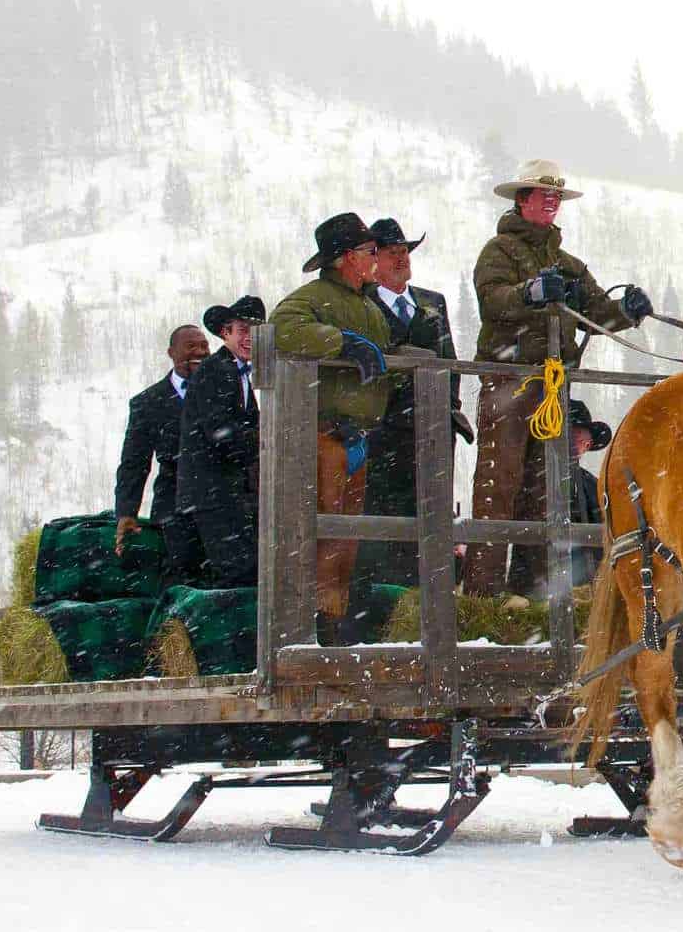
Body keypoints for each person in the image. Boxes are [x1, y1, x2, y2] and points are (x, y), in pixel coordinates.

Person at [462, 159, 653, 598]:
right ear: (522, 200)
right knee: (499, 487)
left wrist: (628, 311)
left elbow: (598, 313)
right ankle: (482, 596)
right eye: (543, 195)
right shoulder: (499, 252)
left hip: (551, 388)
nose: (552, 202)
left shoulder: (567, 264)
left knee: (545, 491)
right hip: (509, 380)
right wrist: (529, 294)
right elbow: (493, 301)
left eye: (556, 197)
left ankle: (532, 597)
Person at [270, 213, 396, 644]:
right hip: (327, 436)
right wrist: (341, 342)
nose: (376, 258)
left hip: (358, 436)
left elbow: (387, 354)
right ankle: (316, 627)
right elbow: (283, 328)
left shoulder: (369, 305)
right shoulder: (312, 298)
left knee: (347, 538)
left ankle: (336, 622)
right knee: (324, 535)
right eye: (369, 252)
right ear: (347, 258)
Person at [351, 217, 474, 598]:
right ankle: (386, 600)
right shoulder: (362, 303)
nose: (401, 259)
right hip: (383, 431)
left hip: (434, 429)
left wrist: (447, 408)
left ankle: (428, 597)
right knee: (384, 518)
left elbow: (450, 362)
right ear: (375, 260)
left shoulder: (431, 302)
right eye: (392, 253)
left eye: (404, 251)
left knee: (431, 513)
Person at [175, 296, 265, 588]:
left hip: (227, 493)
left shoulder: (237, 373)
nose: (250, 337)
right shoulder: (216, 372)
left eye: (256, 330)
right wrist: (267, 442)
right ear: (225, 332)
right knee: (237, 573)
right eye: (243, 329)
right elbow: (222, 435)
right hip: (214, 494)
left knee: (244, 570)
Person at [114, 324, 211, 581]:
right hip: (174, 508)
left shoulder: (225, 392)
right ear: (171, 352)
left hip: (219, 505)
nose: (200, 352)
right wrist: (126, 512)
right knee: (177, 579)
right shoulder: (148, 403)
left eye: (204, 346)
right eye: (191, 346)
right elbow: (134, 463)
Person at [565, 399, 612, 588]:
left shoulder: (592, 483)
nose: (581, 444)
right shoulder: (535, 474)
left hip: (585, 577)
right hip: (548, 574)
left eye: (586, 441)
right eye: (576, 434)